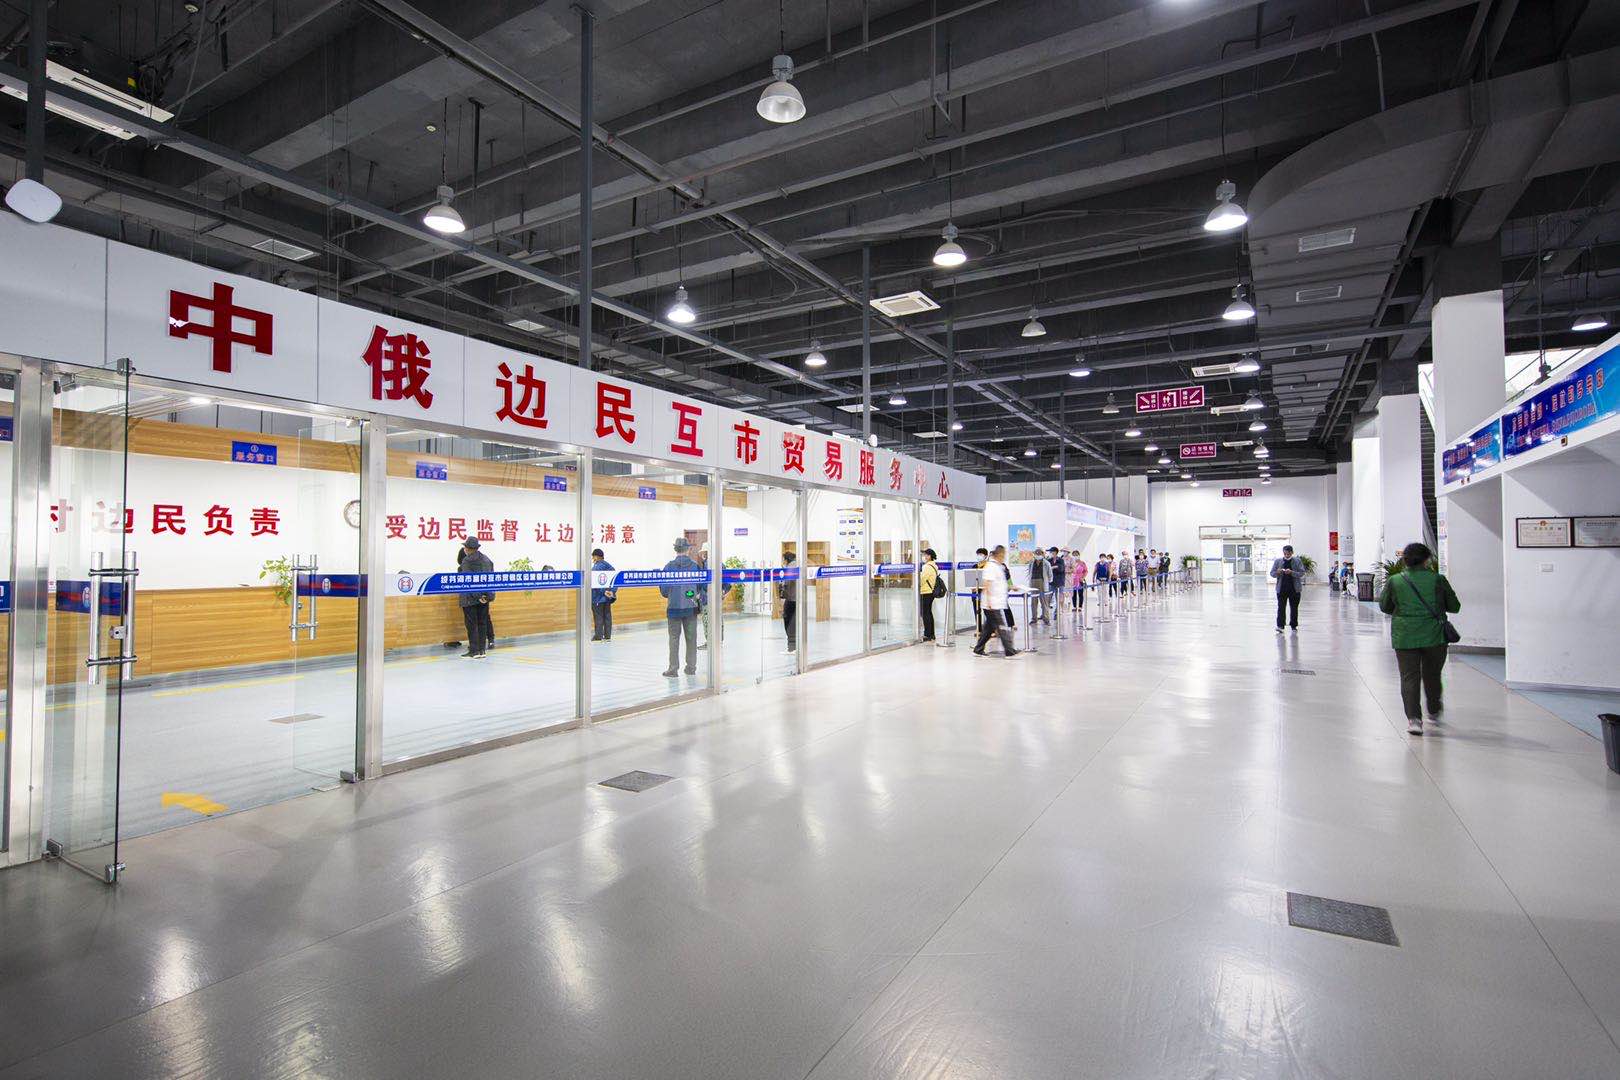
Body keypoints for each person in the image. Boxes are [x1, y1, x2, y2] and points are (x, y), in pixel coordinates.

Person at [1378, 542, 1461, 736]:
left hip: (1405, 636)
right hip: (1434, 636)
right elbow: (1454, 606)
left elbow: (1384, 606)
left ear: (1404, 560)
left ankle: (1414, 719)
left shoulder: (1395, 581)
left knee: (1409, 677)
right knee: (1432, 675)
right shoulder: (1437, 580)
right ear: (1427, 560)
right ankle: (1434, 710)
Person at [659, 537, 703, 678]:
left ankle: (673, 669)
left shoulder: (668, 567)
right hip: (691, 608)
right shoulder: (695, 566)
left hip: (673, 609)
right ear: (688, 549)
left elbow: (664, 591)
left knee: (674, 639)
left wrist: (673, 594)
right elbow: (700, 586)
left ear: (675, 549)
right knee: (691, 638)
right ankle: (691, 667)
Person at [971, 544, 1020, 657]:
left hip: (996, 603)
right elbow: (987, 585)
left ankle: (978, 649)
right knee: (1001, 627)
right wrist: (989, 602)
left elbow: (999, 584)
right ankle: (1010, 651)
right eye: (1003, 554)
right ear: (999, 554)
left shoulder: (999, 566)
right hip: (992, 604)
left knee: (988, 629)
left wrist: (1011, 587)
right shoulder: (991, 567)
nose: (1004, 557)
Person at [456, 538, 494, 659]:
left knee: (472, 625)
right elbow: (491, 578)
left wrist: (478, 596)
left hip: (470, 598)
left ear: (467, 549)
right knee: (482, 623)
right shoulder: (487, 560)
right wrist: (487, 596)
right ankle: (482, 650)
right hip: (484, 598)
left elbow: (468, 581)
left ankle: (474, 650)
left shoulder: (467, 561)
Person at [1270, 544, 1305, 632]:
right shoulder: (1278, 561)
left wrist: (1292, 572)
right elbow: (1272, 573)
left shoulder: (1297, 561)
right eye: (1285, 553)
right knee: (1281, 607)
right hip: (1282, 589)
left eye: (1288, 554)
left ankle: (1293, 625)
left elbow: (1301, 573)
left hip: (1294, 589)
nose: (1286, 555)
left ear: (1292, 553)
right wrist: (1278, 572)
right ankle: (1280, 626)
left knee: (1294, 608)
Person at [589, 547, 616, 641]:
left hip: (597, 598)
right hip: (607, 598)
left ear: (596, 557)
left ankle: (598, 636)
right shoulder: (610, 567)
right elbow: (615, 580)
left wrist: (603, 591)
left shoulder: (596, 568)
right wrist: (612, 592)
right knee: (607, 617)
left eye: (593, 557)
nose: (593, 559)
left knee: (598, 617)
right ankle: (607, 636)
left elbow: (594, 583)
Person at [918, 548, 942, 642]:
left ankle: (927, 634)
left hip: (925, 591)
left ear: (929, 556)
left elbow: (922, 579)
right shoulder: (934, 565)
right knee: (928, 613)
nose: (924, 557)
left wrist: (915, 583)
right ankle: (931, 634)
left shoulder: (927, 566)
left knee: (925, 613)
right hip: (930, 592)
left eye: (925, 555)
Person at [778, 551, 798, 653]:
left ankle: (792, 648)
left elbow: (786, 584)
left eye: (783, 559)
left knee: (788, 624)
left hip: (791, 599)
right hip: (798, 599)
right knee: (794, 624)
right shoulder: (798, 565)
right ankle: (795, 647)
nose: (782, 561)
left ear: (786, 559)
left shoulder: (789, 567)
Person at [1026, 545, 1051, 624]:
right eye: (1036, 553)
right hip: (1033, 582)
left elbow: (1050, 574)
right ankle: (1034, 618)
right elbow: (1029, 573)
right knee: (1033, 602)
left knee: (1044, 602)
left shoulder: (1046, 563)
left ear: (1042, 554)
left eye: (1039, 553)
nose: (1038, 554)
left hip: (1042, 582)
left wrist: (1048, 582)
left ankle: (1046, 618)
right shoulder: (1031, 562)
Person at [1047, 547, 1066, 613]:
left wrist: (1055, 567)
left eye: (1051, 552)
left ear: (1055, 552)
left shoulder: (1060, 560)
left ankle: (1057, 611)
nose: (1050, 553)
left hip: (1060, 581)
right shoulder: (1049, 560)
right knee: (1049, 596)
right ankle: (1046, 611)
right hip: (1051, 581)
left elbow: (1061, 569)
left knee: (1058, 597)